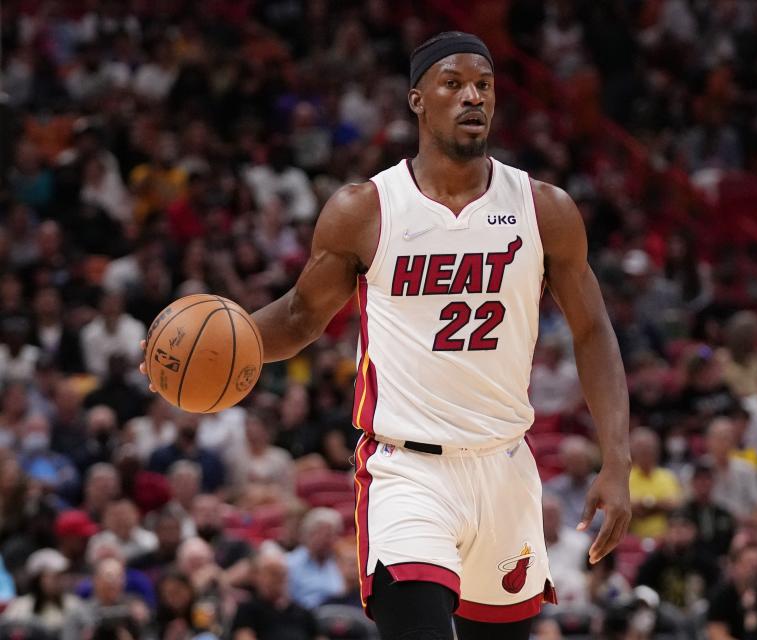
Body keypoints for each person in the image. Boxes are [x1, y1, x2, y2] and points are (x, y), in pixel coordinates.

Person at [141, 31, 630, 640]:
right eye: (453, 84)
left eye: (484, 85)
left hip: (506, 465)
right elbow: (298, 318)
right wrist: (208, 348)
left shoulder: (544, 209)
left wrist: (617, 459)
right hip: (407, 470)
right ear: (417, 100)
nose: (472, 96)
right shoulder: (367, 209)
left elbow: (592, 331)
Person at [230, 549, 321, 640]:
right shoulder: (247, 610)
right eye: (273, 573)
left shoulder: (303, 613)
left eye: (283, 574)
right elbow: (244, 636)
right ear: (257, 576)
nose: (279, 579)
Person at [1, 548, 84, 634]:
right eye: (55, 577)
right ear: (38, 579)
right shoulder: (20, 608)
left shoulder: (74, 605)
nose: (60, 581)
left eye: (62, 576)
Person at [704, 417, 757, 524]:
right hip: (710, 526)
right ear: (709, 441)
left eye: (728, 438)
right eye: (720, 438)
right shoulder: (699, 469)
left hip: (743, 525)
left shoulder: (747, 469)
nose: (724, 442)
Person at [627, 428, 681, 540]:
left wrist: (645, 505)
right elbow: (630, 507)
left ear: (657, 450)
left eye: (649, 448)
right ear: (632, 451)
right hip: (632, 538)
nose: (646, 452)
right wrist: (658, 506)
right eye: (641, 448)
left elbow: (674, 504)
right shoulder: (625, 477)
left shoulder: (667, 476)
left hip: (664, 539)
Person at [287, 507, 345, 610]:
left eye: (334, 535)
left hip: (337, 617)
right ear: (309, 534)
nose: (331, 540)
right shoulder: (290, 564)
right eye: (326, 535)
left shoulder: (339, 564)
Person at [678, 460, 736, 558]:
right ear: (692, 483)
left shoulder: (723, 513)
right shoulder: (682, 513)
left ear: (713, 482)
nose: (703, 483)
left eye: (707, 479)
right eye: (699, 479)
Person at [544, 436, 599, 532]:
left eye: (580, 461)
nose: (577, 466)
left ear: (588, 460)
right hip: (569, 538)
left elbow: (603, 518)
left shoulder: (600, 484)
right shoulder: (554, 488)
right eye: (572, 462)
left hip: (597, 535)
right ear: (564, 462)